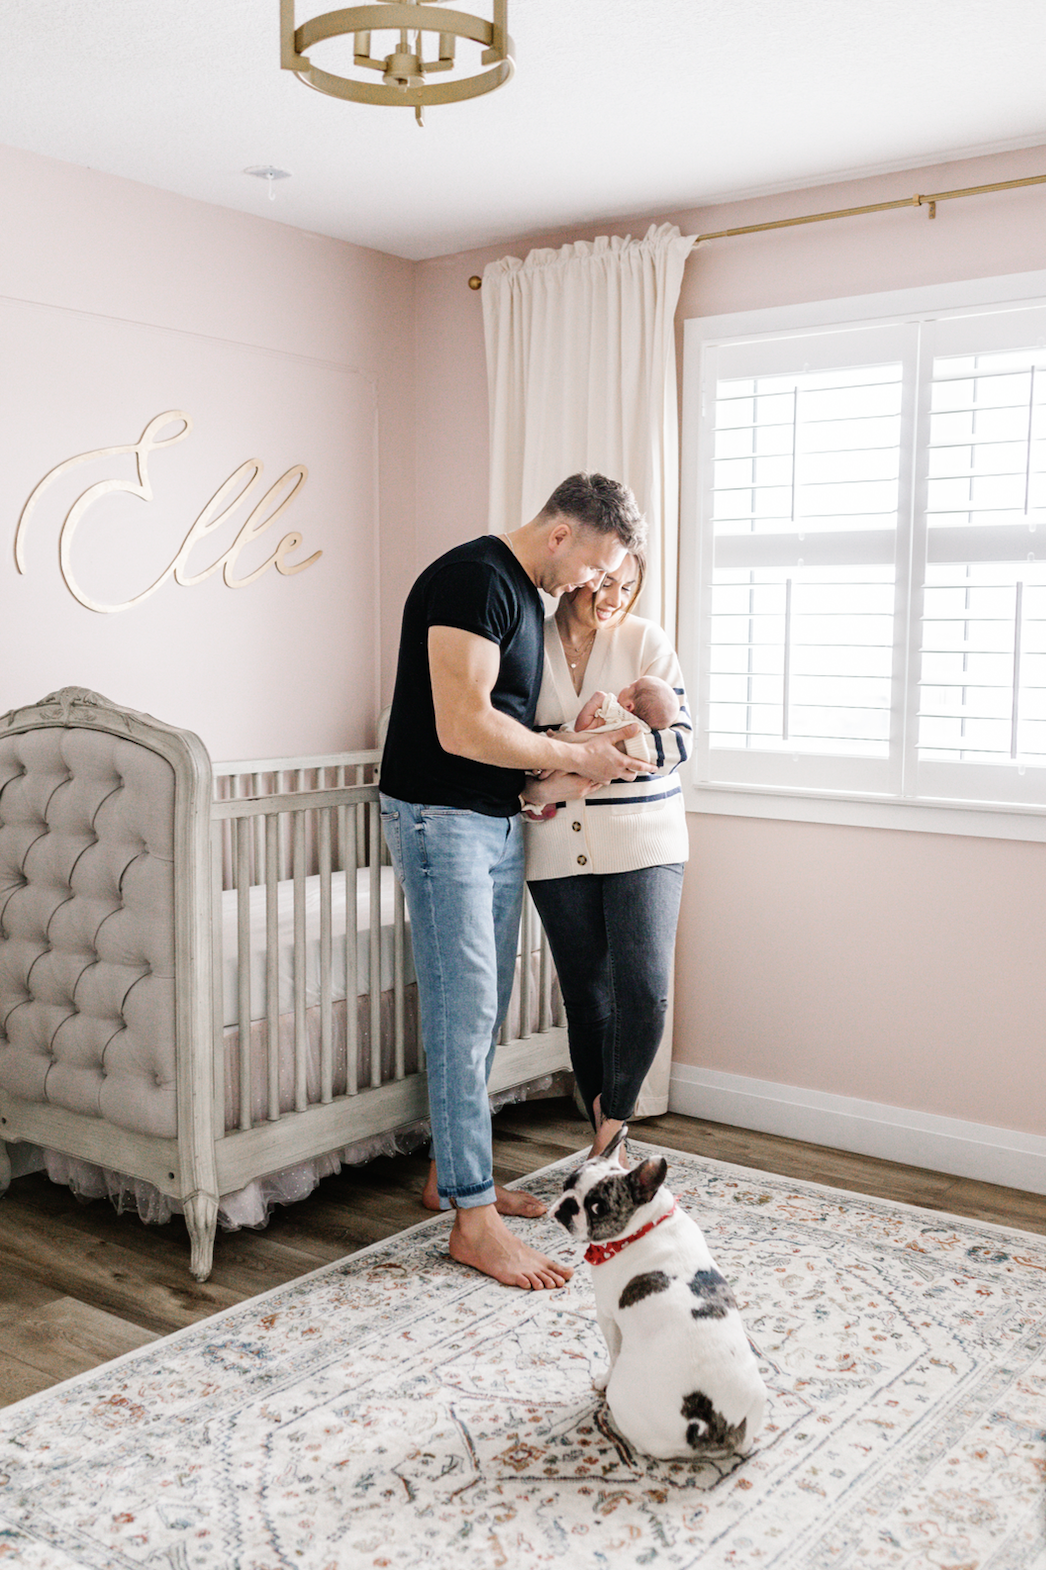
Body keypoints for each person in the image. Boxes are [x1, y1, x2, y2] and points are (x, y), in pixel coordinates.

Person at [379, 473, 655, 1290]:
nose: (590, 585)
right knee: (463, 1013)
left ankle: (451, 1178)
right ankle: (473, 1223)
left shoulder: (525, 600)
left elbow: (503, 726)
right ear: (562, 533)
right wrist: (574, 757)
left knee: (484, 1007)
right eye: (593, 564)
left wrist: (564, 749)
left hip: (489, 818)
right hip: (441, 819)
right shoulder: (473, 578)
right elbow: (461, 723)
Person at [521, 546, 691, 1168]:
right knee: (587, 997)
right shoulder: (526, 643)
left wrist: (585, 748)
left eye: (628, 586)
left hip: (645, 837)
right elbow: (513, 749)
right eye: (605, 583)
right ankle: (604, 1132)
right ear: (579, 578)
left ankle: (611, 1130)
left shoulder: (646, 641)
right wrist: (566, 751)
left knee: (643, 989)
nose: (615, 598)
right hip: (556, 845)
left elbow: (678, 739)